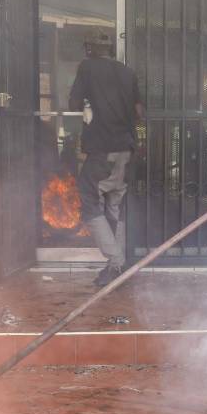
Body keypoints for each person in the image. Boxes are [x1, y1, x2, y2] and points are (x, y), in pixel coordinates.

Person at [68, 26, 144, 286]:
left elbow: (73, 104)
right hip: (126, 150)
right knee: (114, 204)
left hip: (102, 151)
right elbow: (138, 112)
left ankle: (117, 262)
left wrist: (92, 107)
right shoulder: (127, 72)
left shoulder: (87, 68)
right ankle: (114, 265)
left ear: (89, 49)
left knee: (88, 199)